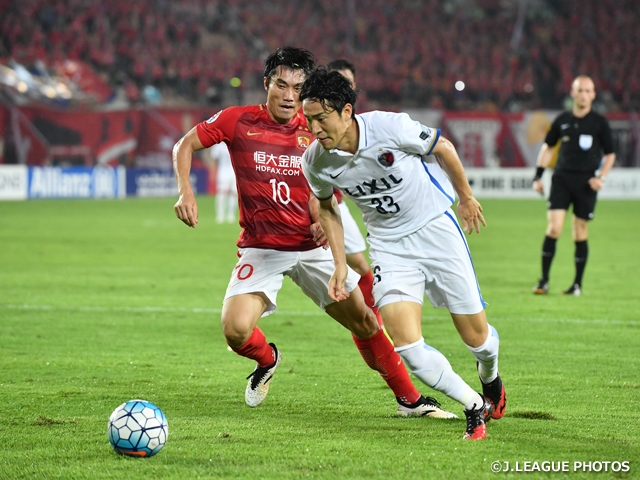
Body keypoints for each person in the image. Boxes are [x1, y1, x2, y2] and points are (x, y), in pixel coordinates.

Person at [172, 47, 453, 418]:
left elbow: (332, 181)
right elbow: (185, 143)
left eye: (297, 88)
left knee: (365, 321)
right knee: (235, 330)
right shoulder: (237, 121)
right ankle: (268, 359)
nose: (289, 96)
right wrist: (186, 191)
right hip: (262, 248)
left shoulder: (315, 128)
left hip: (312, 247)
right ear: (266, 85)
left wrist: (323, 216)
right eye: (281, 85)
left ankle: (411, 401)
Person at [299, 68, 506, 440]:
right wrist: (341, 266)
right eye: (309, 118)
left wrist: (467, 197)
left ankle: (489, 376)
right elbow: (327, 207)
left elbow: (443, 147)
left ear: (347, 112)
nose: (314, 128)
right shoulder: (316, 160)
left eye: (321, 118)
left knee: (477, 339)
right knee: (409, 346)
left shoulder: (390, 128)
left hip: (435, 229)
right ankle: (473, 405)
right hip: (389, 246)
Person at [532, 75, 616, 296]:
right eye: (580, 90)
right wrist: (538, 176)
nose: (584, 95)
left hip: (586, 183)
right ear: (572, 93)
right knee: (554, 228)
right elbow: (547, 148)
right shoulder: (562, 120)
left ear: (593, 95)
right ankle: (544, 281)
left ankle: (576, 285)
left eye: (588, 91)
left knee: (580, 232)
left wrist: (601, 178)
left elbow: (610, 155)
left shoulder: (599, 122)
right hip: (561, 180)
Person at [327, 59, 381, 326]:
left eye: (347, 82)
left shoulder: (359, 122)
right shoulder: (314, 117)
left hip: (332, 204)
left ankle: (375, 320)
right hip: (310, 204)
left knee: (359, 265)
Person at [208, 142, 238, 223]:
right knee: (221, 193)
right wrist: (212, 172)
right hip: (223, 172)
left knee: (234, 193)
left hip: (234, 172)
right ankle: (220, 215)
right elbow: (213, 160)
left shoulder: (234, 143)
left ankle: (230, 215)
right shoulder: (218, 145)